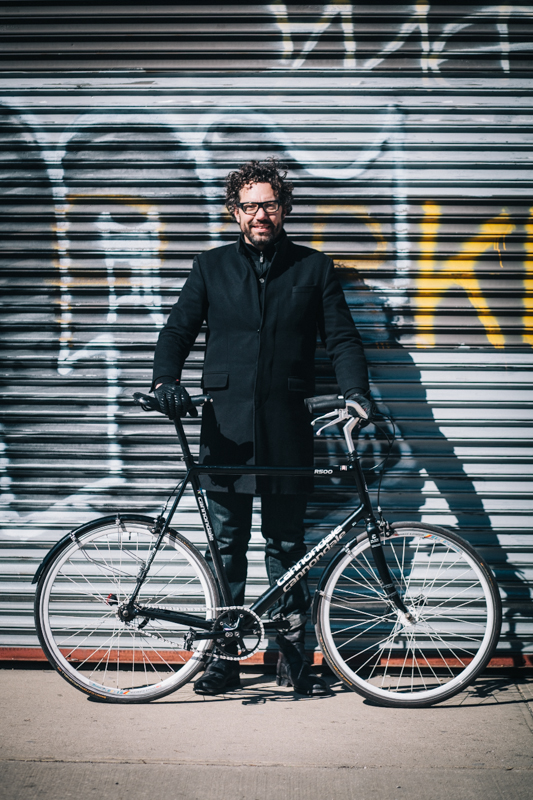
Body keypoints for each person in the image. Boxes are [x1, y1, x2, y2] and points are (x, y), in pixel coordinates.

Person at [152, 158, 374, 696]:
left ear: (283, 208)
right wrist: (165, 381)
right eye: (249, 205)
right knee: (226, 543)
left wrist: (357, 394)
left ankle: (293, 658)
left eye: (268, 204)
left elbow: (342, 339)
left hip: (286, 426)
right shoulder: (209, 267)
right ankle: (222, 657)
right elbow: (177, 330)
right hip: (225, 428)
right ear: (234, 212)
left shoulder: (314, 268)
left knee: (286, 544)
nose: (259, 214)